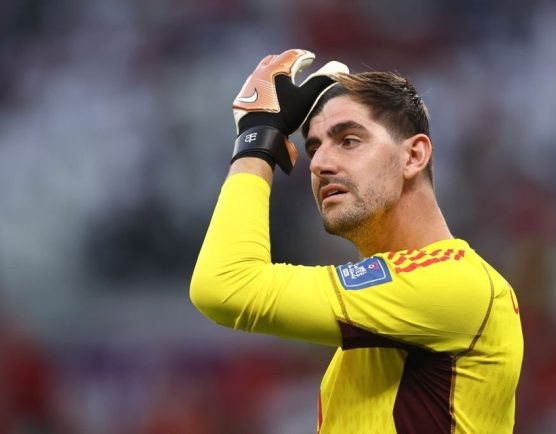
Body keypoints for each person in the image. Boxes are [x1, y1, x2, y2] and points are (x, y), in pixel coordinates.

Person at [190, 49, 523, 433]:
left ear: (413, 156)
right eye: (313, 148)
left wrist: (256, 140)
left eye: (348, 140)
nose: (319, 164)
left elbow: (226, 286)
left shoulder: (456, 284)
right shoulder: (379, 319)